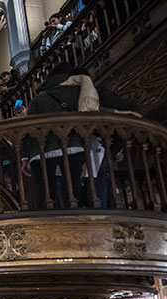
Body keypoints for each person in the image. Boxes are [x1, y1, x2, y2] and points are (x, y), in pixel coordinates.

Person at [22, 63, 141, 209]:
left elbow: (28, 128)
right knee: (72, 190)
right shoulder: (76, 90)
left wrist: (25, 156)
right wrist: (117, 113)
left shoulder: (38, 98)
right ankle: (77, 215)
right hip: (72, 145)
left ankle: (49, 221)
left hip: (41, 150)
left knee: (47, 192)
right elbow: (89, 110)